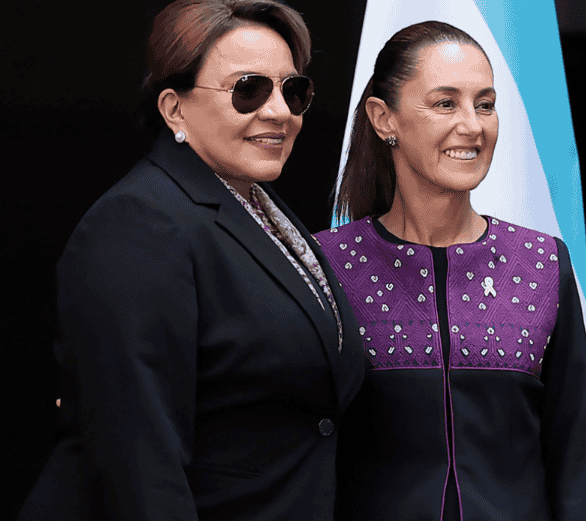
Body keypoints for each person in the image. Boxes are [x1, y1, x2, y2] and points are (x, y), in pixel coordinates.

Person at [18, 1, 365, 519]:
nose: (278, 112)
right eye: (248, 89)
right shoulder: (140, 223)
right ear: (174, 109)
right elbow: (139, 459)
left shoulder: (257, 208)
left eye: (294, 91)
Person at [314, 21, 586, 520]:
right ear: (385, 119)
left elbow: (575, 457)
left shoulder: (541, 263)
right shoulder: (328, 265)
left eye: (485, 104)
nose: (473, 125)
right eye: (446, 103)